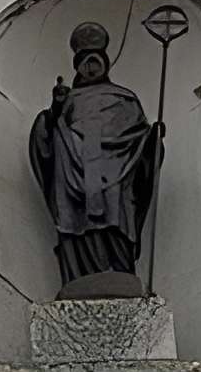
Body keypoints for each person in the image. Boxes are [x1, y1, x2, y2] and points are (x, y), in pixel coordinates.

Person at [29, 21, 162, 296]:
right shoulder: (67, 101)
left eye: (95, 62)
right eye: (85, 63)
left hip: (117, 178)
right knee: (78, 229)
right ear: (77, 67)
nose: (90, 68)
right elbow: (46, 140)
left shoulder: (125, 99)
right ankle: (79, 280)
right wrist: (54, 111)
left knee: (116, 224)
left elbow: (138, 143)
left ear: (105, 64)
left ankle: (119, 275)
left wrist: (152, 140)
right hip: (73, 182)